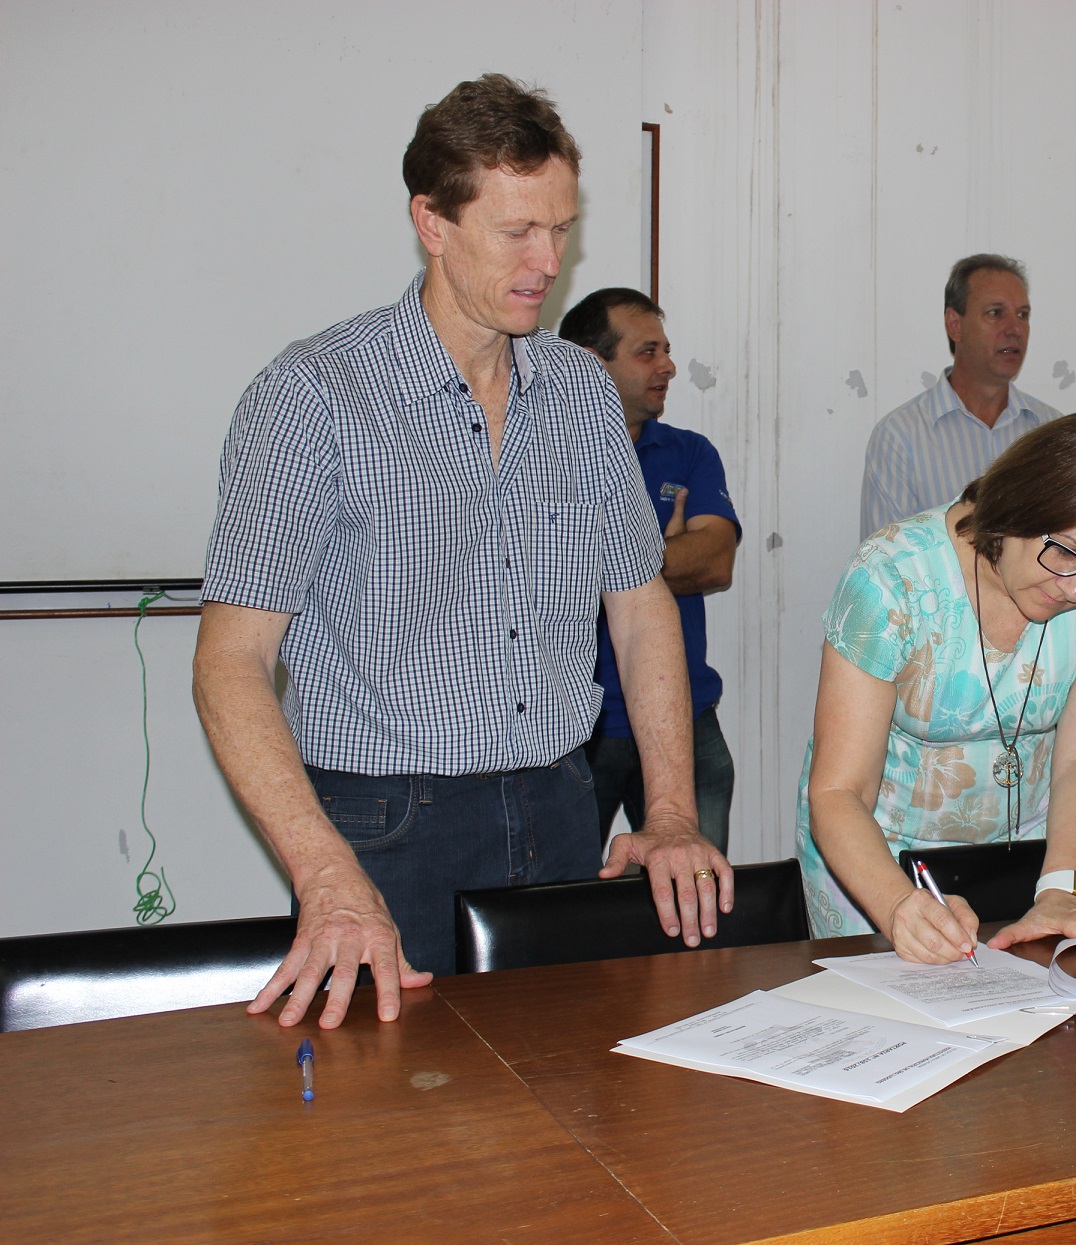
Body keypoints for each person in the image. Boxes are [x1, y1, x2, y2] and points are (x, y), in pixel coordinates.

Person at [193, 74, 732, 1030]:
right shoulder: (315, 395)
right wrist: (324, 872)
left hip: (562, 803)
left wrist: (671, 813)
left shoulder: (580, 392)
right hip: (386, 825)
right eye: (517, 231)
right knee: (398, 1107)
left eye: (560, 230)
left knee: (572, 1083)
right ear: (431, 222)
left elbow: (640, 604)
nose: (547, 262)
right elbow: (230, 661)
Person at [800, 412, 1076, 962]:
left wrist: (1063, 890)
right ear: (1016, 505)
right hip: (876, 859)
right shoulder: (893, 578)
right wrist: (896, 904)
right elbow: (840, 791)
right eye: (1066, 552)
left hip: (1025, 854)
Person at [559, 288, 740, 854]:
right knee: (560, 898)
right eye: (647, 352)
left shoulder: (690, 452)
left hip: (685, 715)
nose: (668, 367)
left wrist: (598, 558)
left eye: (666, 350)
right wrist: (662, 551)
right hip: (573, 729)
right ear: (592, 362)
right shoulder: (544, 456)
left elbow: (716, 562)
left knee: (698, 889)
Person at [858, 254, 1062, 538]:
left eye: (1023, 315)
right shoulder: (900, 437)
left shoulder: (1052, 432)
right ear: (955, 325)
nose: (1015, 329)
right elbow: (885, 559)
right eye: (996, 313)